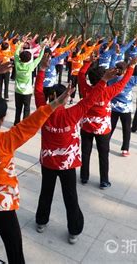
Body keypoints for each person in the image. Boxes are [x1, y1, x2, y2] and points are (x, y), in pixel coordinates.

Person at [0, 61, 69, 264]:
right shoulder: (7, 141)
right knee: (15, 255)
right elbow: (30, 124)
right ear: (3, 118)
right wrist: (55, 105)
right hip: (3, 209)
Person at [34, 53, 116, 244]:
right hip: (67, 164)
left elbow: (38, 92)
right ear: (66, 98)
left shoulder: (42, 111)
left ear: (49, 98)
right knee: (70, 196)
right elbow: (91, 99)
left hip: (48, 162)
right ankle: (74, 231)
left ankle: (41, 222)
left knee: (46, 192)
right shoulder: (73, 113)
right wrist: (103, 80)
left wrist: (43, 69)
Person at [78, 55, 137, 189]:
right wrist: (131, 66)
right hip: (102, 129)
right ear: (105, 78)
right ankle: (104, 180)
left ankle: (84, 177)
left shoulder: (85, 89)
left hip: (86, 126)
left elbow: (81, 74)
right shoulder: (108, 91)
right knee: (103, 155)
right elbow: (124, 81)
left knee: (85, 152)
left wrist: (88, 62)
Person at [109, 56, 137, 157]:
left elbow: (111, 65)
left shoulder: (111, 79)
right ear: (125, 71)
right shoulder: (130, 80)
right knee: (126, 129)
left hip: (112, 107)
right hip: (126, 109)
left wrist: (114, 55)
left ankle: (105, 144)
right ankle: (125, 149)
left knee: (110, 127)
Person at [13, 45, 44, 125]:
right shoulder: (31, 66)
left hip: (17, 90)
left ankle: (16, 123)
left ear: (20, 58)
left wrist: (20, 44)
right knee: (27, 108)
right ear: (30, 59)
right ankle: (24, 124)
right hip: (27, 92)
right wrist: (43, 48)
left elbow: (15, 53)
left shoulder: (17, 64)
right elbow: (39, 58)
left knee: (18, 108)